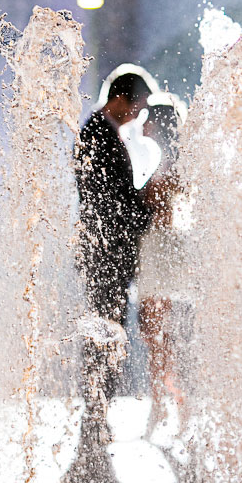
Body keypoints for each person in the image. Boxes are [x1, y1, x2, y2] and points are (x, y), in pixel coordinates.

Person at [74, 71, 154, 329]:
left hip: (108, 250)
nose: (136, 117)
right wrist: (148, 208)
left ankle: (105, 370)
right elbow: (110, 199)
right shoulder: (98, 134)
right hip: (106, 251)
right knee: (104, 331)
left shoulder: (101, 130)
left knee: (108, 329)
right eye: (137, 109)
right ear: (120, 100)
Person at [136, 95, 192, 421]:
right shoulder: (170, 162)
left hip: (161, 252)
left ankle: (168, 402)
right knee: (160, 333)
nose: (142, 125)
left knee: (160, 333)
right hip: (162, 252)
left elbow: (162, 212)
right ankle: (166, 401)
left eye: (147, 119)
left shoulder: (170, 166)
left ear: (158, 125)